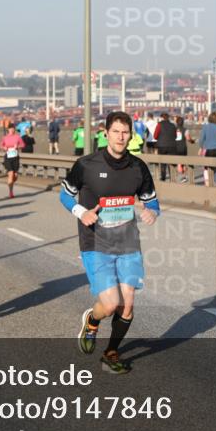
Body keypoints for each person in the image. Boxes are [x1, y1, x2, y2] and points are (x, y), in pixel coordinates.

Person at [60, 111, 160, 374]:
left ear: (131, 135)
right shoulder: (86, 165)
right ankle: (92, 320)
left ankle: (111, 353)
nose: (120, 137)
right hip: (95, 242)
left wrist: (152, 212)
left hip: (128, 242)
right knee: (111, 304)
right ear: (105, 134)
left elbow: (151, 201)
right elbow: (65, 195)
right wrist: (82, 212)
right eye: (115, 131)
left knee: (127, 304)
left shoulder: (138, 167)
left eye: (125, 132)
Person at [199, 112, 216, 187]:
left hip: (208, 149)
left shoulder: (205, 127)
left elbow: (201, 139)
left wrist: (201, 147)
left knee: (206, 167)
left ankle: (207, 184)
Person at [0, 125, 26, 198]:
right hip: (8, 157)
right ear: (8, 130)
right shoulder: (5, 137)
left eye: (13, 129)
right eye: (10, 129)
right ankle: (10, 192)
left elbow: (23, 145)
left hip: (15, 157)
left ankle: (11, 181)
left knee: (15, 176)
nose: (11, 130)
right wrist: (4, 147)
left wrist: (18, 147)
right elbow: (1, 145)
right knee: (11, 173)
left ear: (14, 130)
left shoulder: (17, 137)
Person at [153, 112, 178, 182]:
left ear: (162, 118)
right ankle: (172, 178)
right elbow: (175, 136)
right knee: (171, 162)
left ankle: (163, 178)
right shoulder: (173, 125)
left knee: (163, 162)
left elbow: (155, 136)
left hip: (161, 146)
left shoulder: (159, 125)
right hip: (172, 145)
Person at [174, 116, 194, 183]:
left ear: (176, 122)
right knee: (184, 162)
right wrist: (192, 141)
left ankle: (181, 176)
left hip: (176, 147)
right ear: (183, 123)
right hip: (183, 147)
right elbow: (188, 138)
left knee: (178, 162)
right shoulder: (185, 130)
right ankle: (184, 176)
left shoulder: (174, 129)